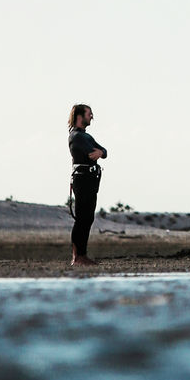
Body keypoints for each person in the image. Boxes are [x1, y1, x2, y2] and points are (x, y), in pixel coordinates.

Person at [68, 104, 108, 267]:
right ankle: (77, 257)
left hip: (90, 180)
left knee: (88, 217)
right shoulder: (76, 136)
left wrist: (101, 153)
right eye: (89, 114)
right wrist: (98, 153)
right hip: (82, 179)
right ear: (80, 116)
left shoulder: (86, 136)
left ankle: (82, 255)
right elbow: (90, 153)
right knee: (82, 218)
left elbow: (103, 151)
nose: (92, 116)